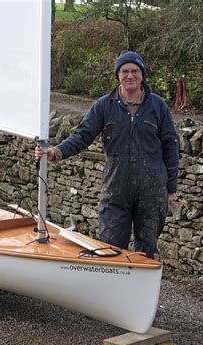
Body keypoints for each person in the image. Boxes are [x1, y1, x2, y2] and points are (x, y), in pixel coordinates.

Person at [36, 50, 179, 258]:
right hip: (116, 189)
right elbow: (82, 135)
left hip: (152, 191)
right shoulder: (104, 105)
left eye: (135, 71)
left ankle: (139, 289)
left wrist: (171, 188)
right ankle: (112, 288)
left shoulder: (158, 106)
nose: (130, 76)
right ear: (118, 75)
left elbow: (171, 147)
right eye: (125, 71)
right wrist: (56, 152)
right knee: (109, 248)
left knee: (146, 251)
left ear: (142, 74)